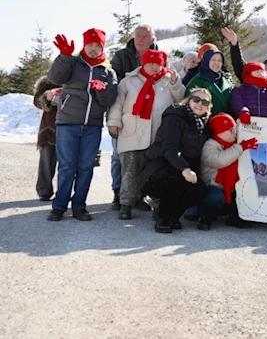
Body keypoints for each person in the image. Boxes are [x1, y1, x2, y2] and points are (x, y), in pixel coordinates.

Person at [46, 28, 118, 222]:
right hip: (68, 123)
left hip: (92, 127)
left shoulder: (107, 71)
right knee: (67, 166)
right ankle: (59, 206)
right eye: (90, 44)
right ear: (84, 45)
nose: (93, 49)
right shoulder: (73, 63)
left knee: (86, 167)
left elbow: (109, 99)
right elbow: (55, 78)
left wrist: (102, 91)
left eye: (98, 45)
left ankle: (79, 206)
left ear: (102, 47)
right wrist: (64, 56)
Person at [106, 50, 184, 220]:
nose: (155, 67)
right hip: (131, 132)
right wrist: (114, 122)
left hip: (158, 135)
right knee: (130, 170)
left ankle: (156, 204)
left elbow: (181, 99)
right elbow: (117, 104)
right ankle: (126, 204)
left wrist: (175, 83)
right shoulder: (128, 81)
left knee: (155, 171)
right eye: (151, 63)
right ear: (143, 63)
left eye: (158, 64)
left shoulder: (167, 80)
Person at [138, 88, 213, 233]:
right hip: (155, 170)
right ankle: (163, 219)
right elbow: (169, 147)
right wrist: (185, 169)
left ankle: (173, 215)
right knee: (174, 178)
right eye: (196, 99)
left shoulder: (204, 126)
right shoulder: (175, 116)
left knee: (200, 189)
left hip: (180, 170)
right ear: (189, 100)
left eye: (205, 102)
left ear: (208, 107)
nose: (200, 104)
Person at [109, 25, 158, 211]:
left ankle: (139, 195)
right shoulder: (122, 56)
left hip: (148, 115)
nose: (140, 39)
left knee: (143, 156)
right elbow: (114, 81)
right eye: (138, 35)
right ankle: (118, 191)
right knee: (118, 155)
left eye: (145, 36)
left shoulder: (159, 56)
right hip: (126, 111)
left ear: (152, 39)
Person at [199, 113, 258, 230]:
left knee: (245, 192)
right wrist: (241, 147)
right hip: (213, 187)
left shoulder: (235, 143)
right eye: (230, 130)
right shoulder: (210, 145)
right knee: (215, 197)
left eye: (234, 129)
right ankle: (205, 218)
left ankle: (235, 218)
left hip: (230, 188)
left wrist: (243, 124)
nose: (234, 132)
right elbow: (220, 160)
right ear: (220, 131)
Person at [32, 76, 62, 201]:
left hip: (74, 125)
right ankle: (44, 190)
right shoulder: (48, 81)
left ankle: (64, 192)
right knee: (47, 159)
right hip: (50, 128)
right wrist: (47, 97)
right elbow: (37, 101)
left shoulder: (78, 77)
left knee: (69, 164)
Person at [185, 49, 233, 116]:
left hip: (228, 121)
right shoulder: (197, 80)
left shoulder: (226, 79)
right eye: (213, 60)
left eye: (219, 60)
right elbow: (189, 104)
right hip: (206, 123)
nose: (216, 63)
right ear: (206, 61)